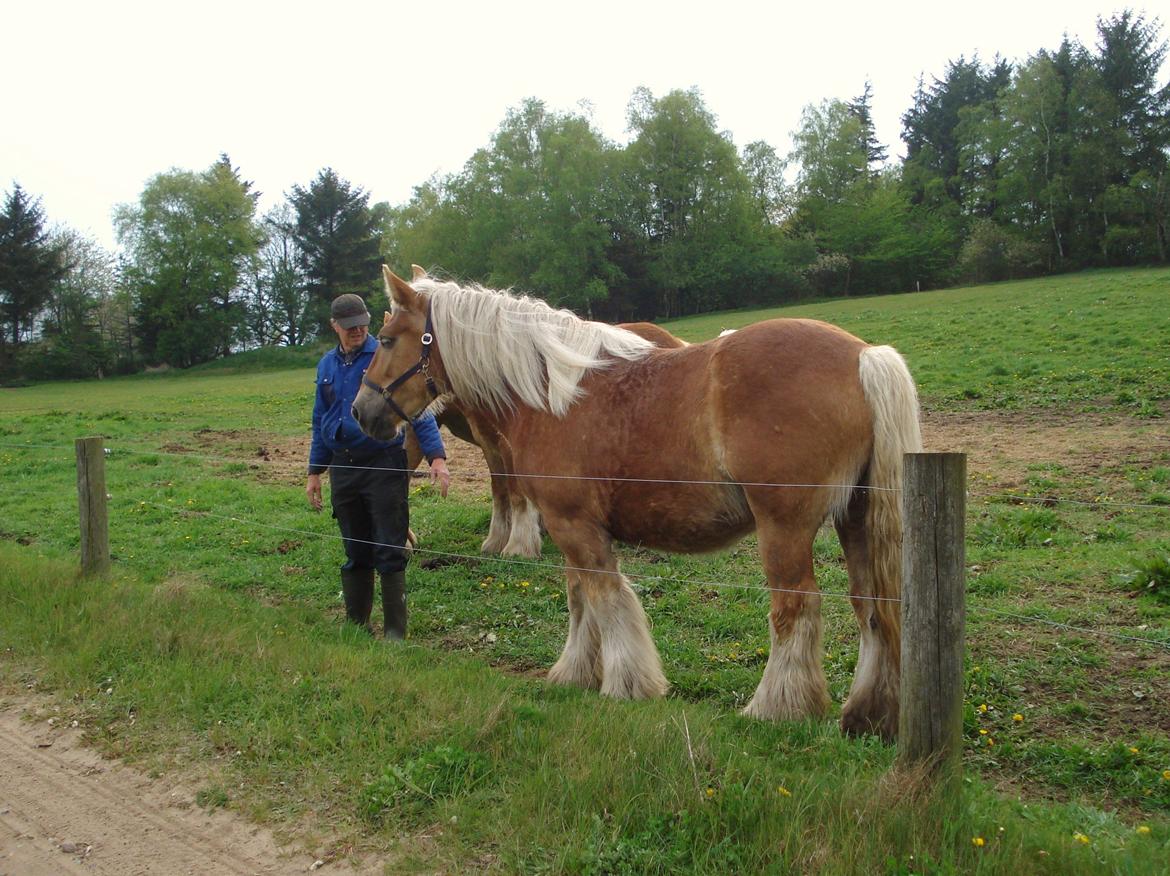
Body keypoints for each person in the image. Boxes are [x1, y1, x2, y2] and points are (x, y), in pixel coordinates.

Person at [306, 292, 450, 639]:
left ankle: (395, 632)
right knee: (355, 548)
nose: (358, 332)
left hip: (383, 464)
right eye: (350, 327)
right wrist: (315, 471)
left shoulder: (383, 355)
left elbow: (416, 409)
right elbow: (319, 417)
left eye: (362, 325)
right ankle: (356, 626)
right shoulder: (327, 365)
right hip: (344, 468)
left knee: (389, 547)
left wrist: (437, 457)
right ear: (334, 326)